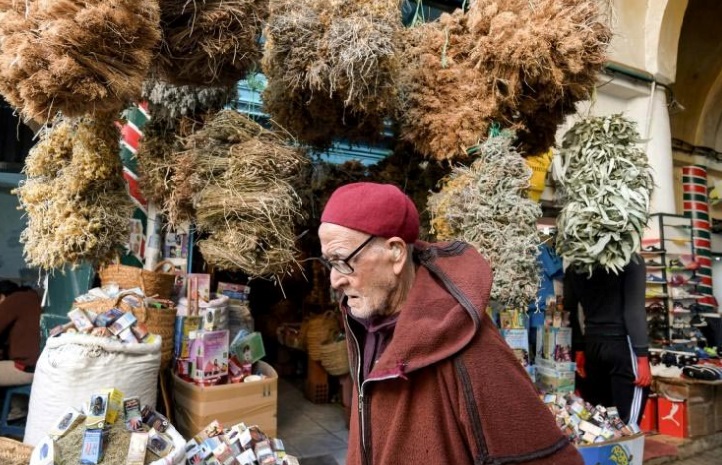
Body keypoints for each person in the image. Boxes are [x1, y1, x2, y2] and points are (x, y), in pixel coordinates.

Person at [318, 182, 582, 465]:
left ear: (395, 252)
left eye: (343, 261)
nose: (335, 279)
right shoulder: (365, 325)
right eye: (328, 263)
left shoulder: (466, 342)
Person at [563, 254, 651, 426]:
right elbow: (634, 311)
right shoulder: (631, 260)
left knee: (602, 422)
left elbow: (569, 313)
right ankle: (625, 452)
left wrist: (580, 348)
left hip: (592, 347)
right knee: (627, 425)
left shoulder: (575, 266)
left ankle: (605, 451)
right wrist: (642, 357)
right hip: (622, 347)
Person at [0, 280, 41, 386]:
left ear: (1, 297)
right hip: (39, 366)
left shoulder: (13, 300)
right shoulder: (32, 298)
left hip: (26, 368)